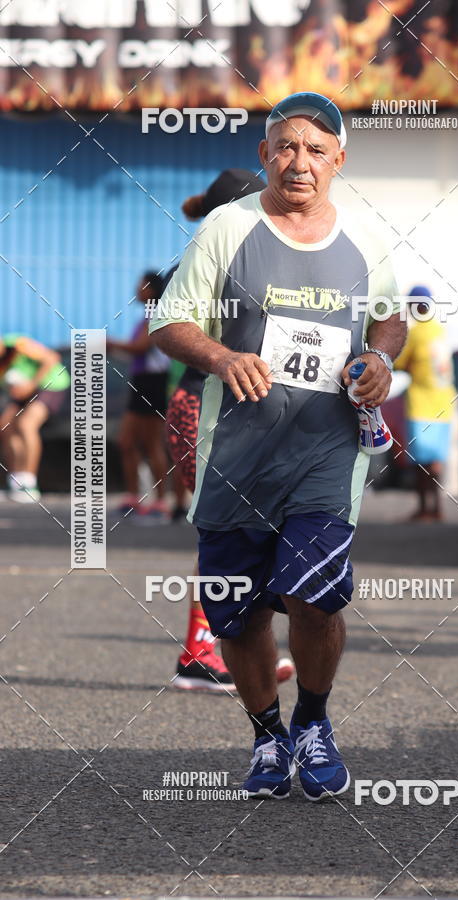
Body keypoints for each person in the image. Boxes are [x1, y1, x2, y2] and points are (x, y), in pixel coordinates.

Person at [150, 91, 405, 801]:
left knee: (317, 596)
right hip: (235, 455)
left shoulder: (364, 236)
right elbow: (169, 321)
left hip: (327, 452)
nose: (301, 162)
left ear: (339, 161)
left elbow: (388, 319)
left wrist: (381, 362)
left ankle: (314, 722)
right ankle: (267, 736)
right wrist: (221, 357)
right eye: (287, 147)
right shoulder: (227, 229)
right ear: (265, 154)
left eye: (317, 150)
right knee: (238, 611)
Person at [165, 170, 295, 692]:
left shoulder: (209, 258)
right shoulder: (226, 260)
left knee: (238, 529)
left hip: (196, 405)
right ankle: (204, 650)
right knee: (233, 529)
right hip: (210, 408)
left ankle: (224, 645)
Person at [107, 273, 171, 522]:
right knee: (127, 441)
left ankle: (161, 502)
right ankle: (133, 497)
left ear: (153, 289)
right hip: (142, 381)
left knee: (152, 443)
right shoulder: (146, 314)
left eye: (142, 284)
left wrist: (109, 344)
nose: (137, 288)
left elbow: (142, 348)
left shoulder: (156, 313)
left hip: (153, 384)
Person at [393, 285, 455, 521]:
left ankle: (424, 509)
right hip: (444, 403)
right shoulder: (439, 331)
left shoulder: (416, 333)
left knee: (420, 461)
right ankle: (436, 509)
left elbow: (399, 363)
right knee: (435, 461)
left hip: (421, 404)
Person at [0, 334, 70, 502]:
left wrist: (31, 384)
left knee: (26, 424)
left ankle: (29, 483)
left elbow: (52, 358)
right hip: (23, 391)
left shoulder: (18, 344)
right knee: (5, 426)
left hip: (49, 385)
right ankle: (16, 482)